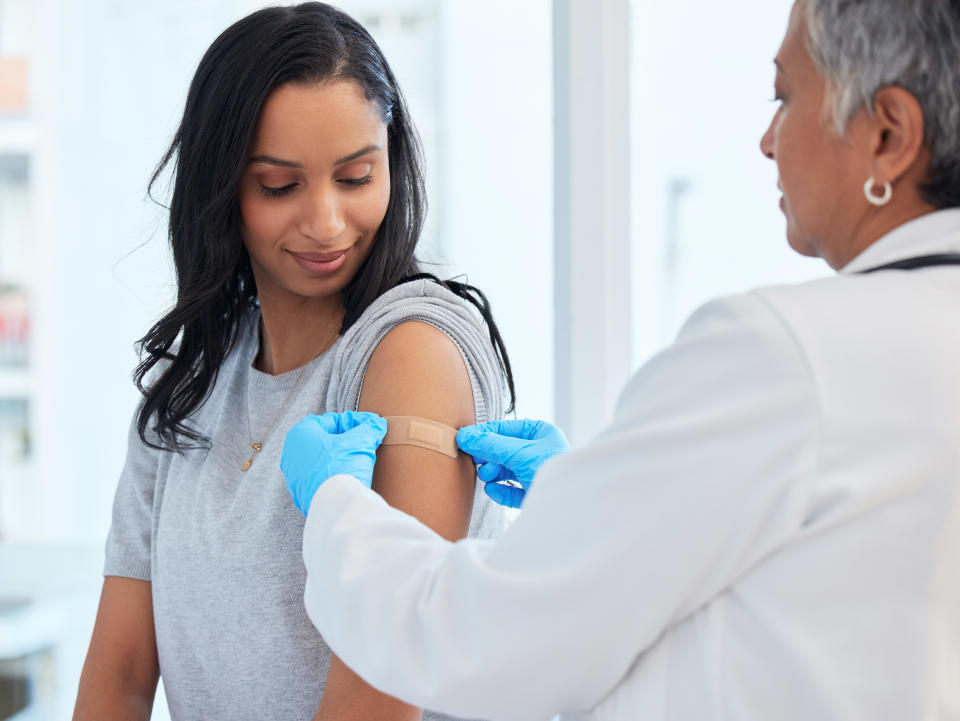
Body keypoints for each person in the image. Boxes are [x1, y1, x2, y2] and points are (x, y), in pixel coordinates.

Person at [280, 1, 960, 719]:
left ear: (888, 135)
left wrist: (337, 509)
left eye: (785, 97)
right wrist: (588, 507)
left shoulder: (787, 353)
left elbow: (485, 642)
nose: (766, 140)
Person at [73, 4, 515, 721]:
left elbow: (382, 688)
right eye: (280, 185)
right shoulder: (189, 384)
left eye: (355, 176)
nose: (327, 222)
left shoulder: (411, 349)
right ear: (222, 188)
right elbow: (120, 673)